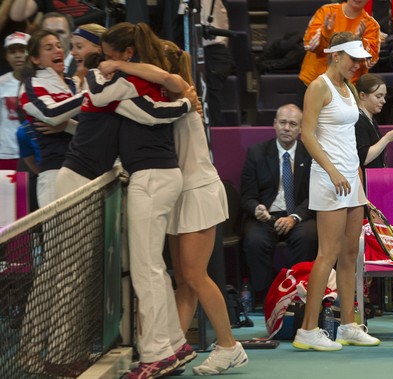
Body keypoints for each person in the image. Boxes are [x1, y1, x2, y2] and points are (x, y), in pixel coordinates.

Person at [97, 39, 248, 376]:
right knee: (182, 278)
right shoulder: (167, 96)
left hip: (199, 191)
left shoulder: (181, 93)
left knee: (195, 274)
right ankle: (175, 348)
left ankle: (229, 346)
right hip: (181, 192)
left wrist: (117, 65)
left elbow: (150, 77)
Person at [91, 22, 196, 377]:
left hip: (151, 179)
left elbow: (96, 96)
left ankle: (155, 354)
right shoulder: (145, 79)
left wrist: (105, 70)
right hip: (159, 177)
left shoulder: (127, 84)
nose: (102, 62)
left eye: (108, 56)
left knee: (145, 271)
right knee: (153, 268)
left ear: (127, 54)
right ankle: (173, 345)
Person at [292, 31, 380, 351]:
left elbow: (348, 140)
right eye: (353, 59)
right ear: (337, 55)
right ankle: (308, 330)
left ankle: (347, 325)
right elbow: (307, 135)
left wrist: (358, 182)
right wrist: (332, 171)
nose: (357, 65)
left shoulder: (350, 87)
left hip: (351, 180)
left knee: (349, 254)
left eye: (360, 60)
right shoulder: (318, 87)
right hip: (329, 179)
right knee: (326, 255)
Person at [240, 103, 318, 299]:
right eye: (282, 122)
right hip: (266, 216)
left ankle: (298, 293)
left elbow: (315, 195)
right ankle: (266, 296)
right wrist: (256, 208)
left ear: (301, 129)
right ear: (274, 124)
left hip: (298, 215)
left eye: (293, 124)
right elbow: (246, 196)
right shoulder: (256, 153)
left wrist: (294, 217)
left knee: (309, 236)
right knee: (255, 240)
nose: (286, 128)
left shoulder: (310, 154)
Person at [19, 29, 85, 207]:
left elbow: (90, 130)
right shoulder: (31, 86)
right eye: (48, 48)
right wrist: (90, 95)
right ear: (35, 59)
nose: (58, 50)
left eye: (58, 46)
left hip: (84, 170)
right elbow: (51, 114)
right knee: (57, 234)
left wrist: (66, 126)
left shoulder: (74, 84)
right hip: (54, 172)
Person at [296, 0, 380, 106]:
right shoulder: (326, 11)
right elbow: (309, 44)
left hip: (346, 89)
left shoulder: (371, 25)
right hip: (311, 83)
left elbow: (370, 61)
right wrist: (326, 34)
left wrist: (359, 41)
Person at [354, 73, 393, 176]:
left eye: (384, 96)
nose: (384, 101)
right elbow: (364, 158)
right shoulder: (358, 121)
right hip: (364, 183)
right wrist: (387, 138)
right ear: (362, 95)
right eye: (378, 96)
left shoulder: (371, 120)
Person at [0, 31, 29, 171]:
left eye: (22, 50)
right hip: (6, 154)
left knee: (23, 193)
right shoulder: (1, 83)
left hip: (31, 153)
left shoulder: (39, 82)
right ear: (7, 56)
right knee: (7, 194)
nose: (18, 55)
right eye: (12, 51)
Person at [69, 23, 106, 89]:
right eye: (72, 46)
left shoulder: (111, 80)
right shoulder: (76, 78)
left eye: (79, 47)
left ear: (99, 50)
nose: (73, 53)